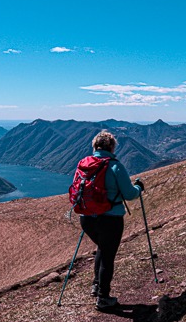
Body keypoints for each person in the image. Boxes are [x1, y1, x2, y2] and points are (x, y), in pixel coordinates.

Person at [80, 130, 144, 311]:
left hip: (86, 218)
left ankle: (96, 285)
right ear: (112, 147)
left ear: (94, 146)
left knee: (102, 248)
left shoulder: (85, 165)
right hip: (110, 219)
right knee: (108, 256)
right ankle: (103, 298)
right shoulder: (115, 166)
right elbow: (130, 194)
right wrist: (139, 187)